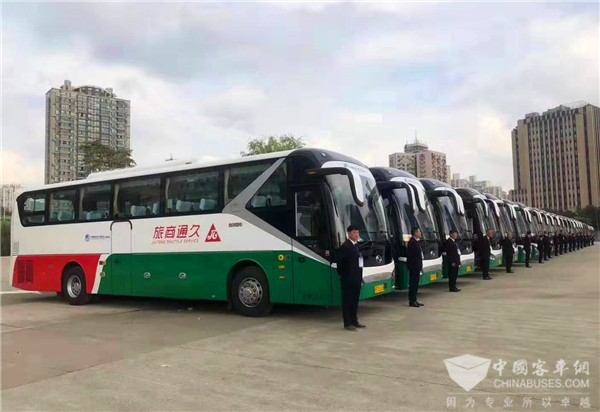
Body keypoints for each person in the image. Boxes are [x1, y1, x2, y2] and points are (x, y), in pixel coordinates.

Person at [336, 225, 365, 331]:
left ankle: (354, 320)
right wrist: (346, 276)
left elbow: (359, 263)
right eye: (354, 233)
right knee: (347, 301)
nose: (357, 235)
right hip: (348, 280)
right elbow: (340, 264)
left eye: (357, 233)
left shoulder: (357, 246)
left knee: (355, 301)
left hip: (357, 278)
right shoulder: (345, 246)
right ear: (349, 234)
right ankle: (347, 323)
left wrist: (360, 277)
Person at [406, 227, 424, 307]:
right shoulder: (412, 242)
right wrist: (415, 266)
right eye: (419, 232)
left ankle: (415, 299)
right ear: (415, 233)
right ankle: (412, 301)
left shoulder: (416, 242)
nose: (420, 233)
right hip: (414, 267)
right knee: (413, 284)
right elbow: (411, 256)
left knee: (416, 284)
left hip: (417, 267)